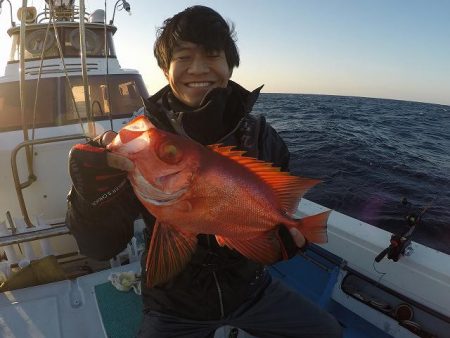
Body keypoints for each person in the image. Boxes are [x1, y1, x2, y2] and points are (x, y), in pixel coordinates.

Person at [67, 5, 342, 338]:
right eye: (182, 58)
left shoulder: (260, 137)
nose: (198, 68)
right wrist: (89, 199)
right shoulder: (141, 147)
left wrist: (284, 241)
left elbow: (278, 217)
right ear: (165, 69)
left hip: (251, 290)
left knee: (326, 332)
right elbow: (100, 249)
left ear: (229, 65)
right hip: (174, 305)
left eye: (212, 55)